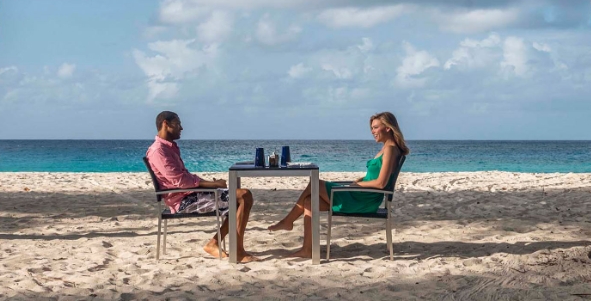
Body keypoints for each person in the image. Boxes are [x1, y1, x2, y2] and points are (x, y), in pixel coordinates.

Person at [268, 111, 409, 258]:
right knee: (309, 202)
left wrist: (357, 186)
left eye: (375, 127)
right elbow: (375, 176)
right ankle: (307, 249)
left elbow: (381, 183)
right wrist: (360, 181)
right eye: (372, 128)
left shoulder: (390, 149)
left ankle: (288, 221)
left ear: (388, 128)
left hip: (365, 199)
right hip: (361, 194)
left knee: (314, 184)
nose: (373, 131)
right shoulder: (387, 147)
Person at [146, 111, 257, 262]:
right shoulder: (159, 151)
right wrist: (213, 184)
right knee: (243, 195)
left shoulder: (169, 148)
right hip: (183, 201)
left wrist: (211, 185)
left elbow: (184, 178)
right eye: (178, 124)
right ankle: (237, 251)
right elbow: (181, 181)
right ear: (166, 124)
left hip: (190, 194)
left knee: (241, 197)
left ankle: (215, 243)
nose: (182, 128)